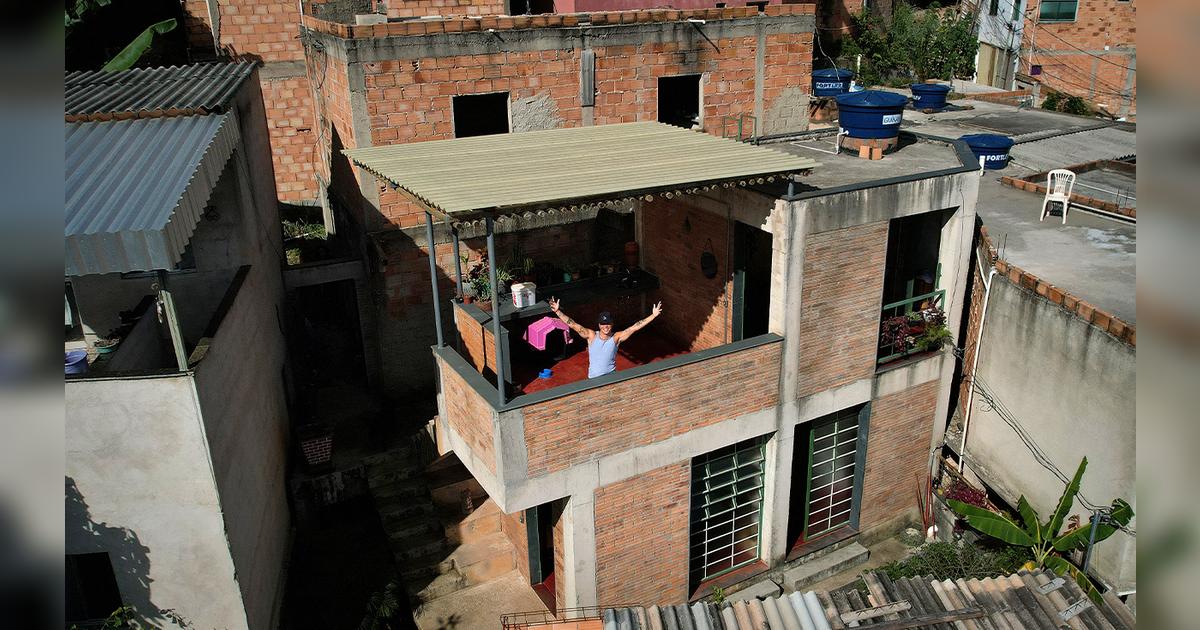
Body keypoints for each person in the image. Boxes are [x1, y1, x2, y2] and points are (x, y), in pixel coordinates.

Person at [547, 297, 663, 378]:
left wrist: (653, 315)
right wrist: (558, 312)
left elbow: (634, 327)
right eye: (603, 324)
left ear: (612, 324)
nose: (605, 327)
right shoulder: (591, 336)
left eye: (608, 324)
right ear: (599, 325)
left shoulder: (616, 337)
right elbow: (573, 325)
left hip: (612, 377)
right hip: (594, 379)